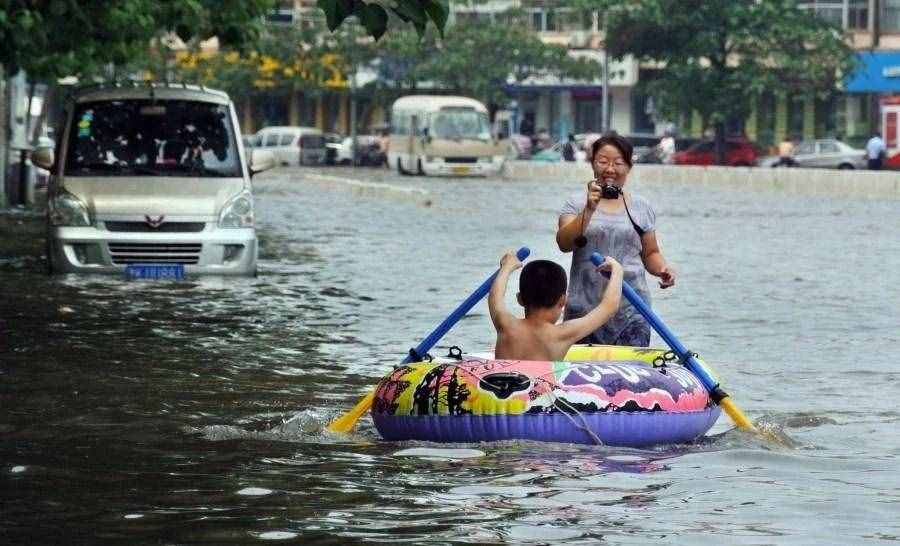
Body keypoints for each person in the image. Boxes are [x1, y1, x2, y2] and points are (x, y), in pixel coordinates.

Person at [555, 132, 676, 347]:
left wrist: (664, 270)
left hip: (632, 311)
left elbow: (650, 253)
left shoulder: (641, 207)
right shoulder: (575, 204)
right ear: (592, 164)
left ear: (629, 167)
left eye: (618, 163)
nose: (610, 169)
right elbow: (564, 243)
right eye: (603, 162)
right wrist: (589, 210)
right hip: (584, 313)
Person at [488, 251, 624, 361]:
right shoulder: (562, 334)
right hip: (543, 395)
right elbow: (609, 306)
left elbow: (495, 296)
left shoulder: (505, 325)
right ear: (563, 300)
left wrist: (506, 267)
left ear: (520, 299)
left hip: (501, 391)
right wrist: (617, 270)